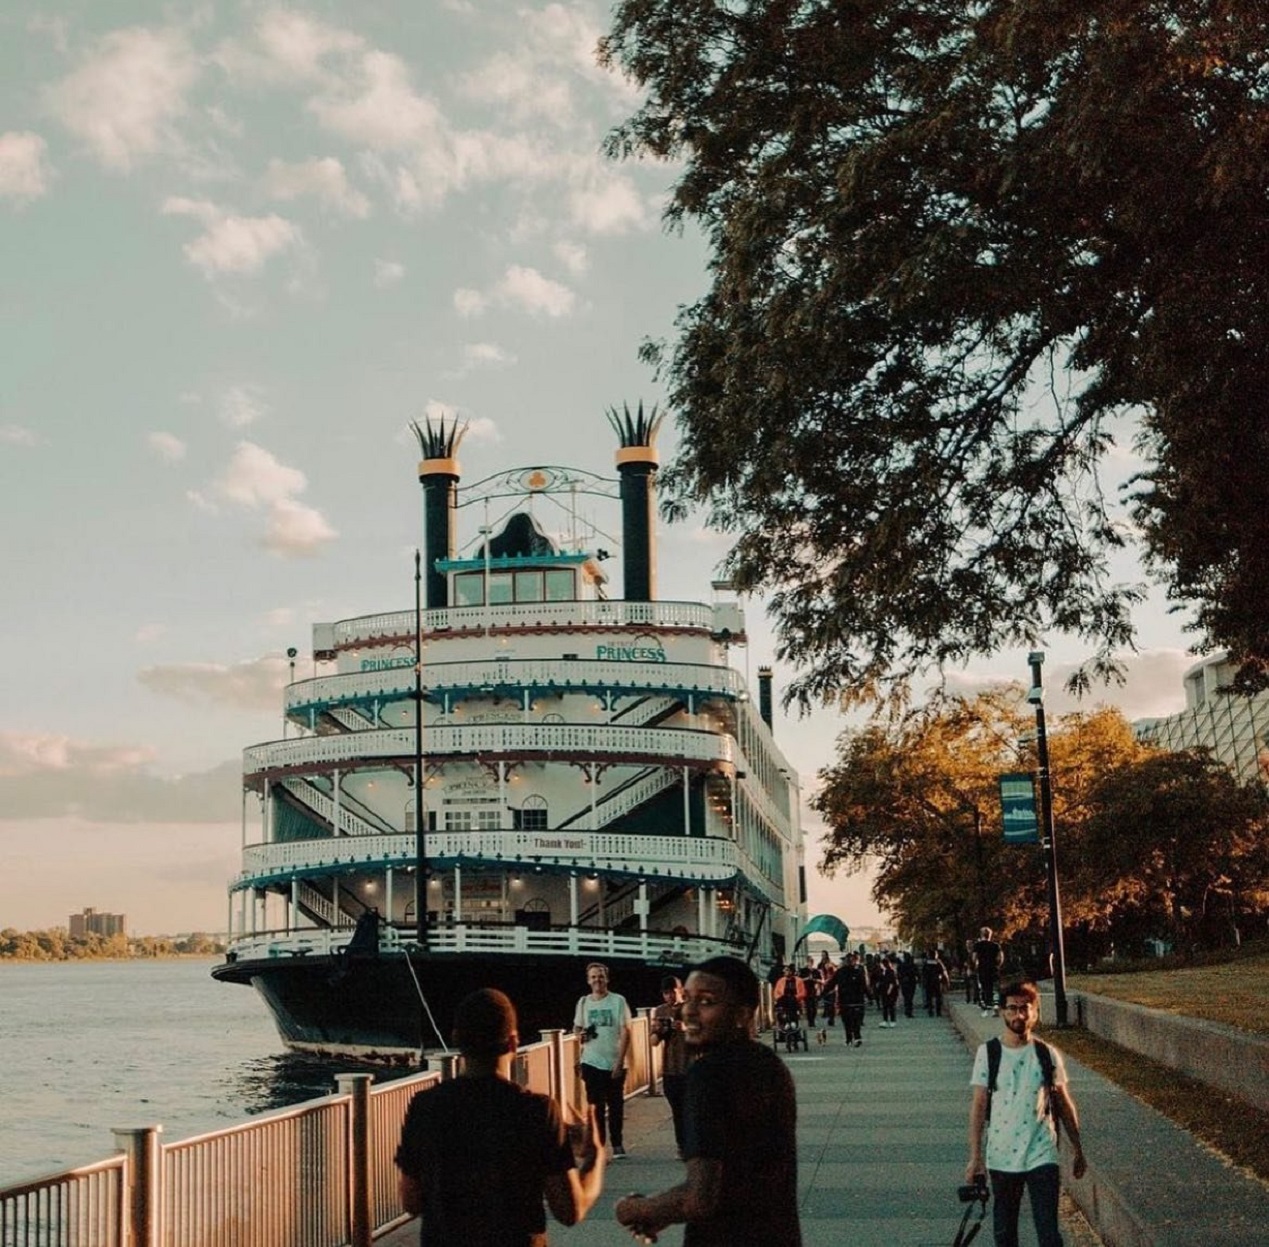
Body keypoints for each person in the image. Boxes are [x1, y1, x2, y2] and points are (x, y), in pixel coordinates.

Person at [395, 987, 606, 1246]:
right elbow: (569, 1211)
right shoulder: (536, 1111)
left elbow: (412, 1202)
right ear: (513, 1043)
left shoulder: (425, 1106)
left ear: (456, 1039)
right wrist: (595, 1157)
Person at [615, 956, 801, 1246]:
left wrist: (637, 1209)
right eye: (687, 998)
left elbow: (700, 1198)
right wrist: (664, 1214)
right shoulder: (771, 1066)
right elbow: (742, 1175)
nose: (688, 1011)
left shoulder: (708, 1075)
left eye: (706, 1002)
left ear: (742, 1014)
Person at [966, 981, 1086, 1247]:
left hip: (1041, 1152)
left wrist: (1078, 1148)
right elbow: (978, 1107)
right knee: (1005, 1234)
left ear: (1035, 1013)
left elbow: (1064, 1103)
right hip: (1001, 1155)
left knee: (1049, 1235)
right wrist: (975, 1158)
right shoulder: (989, 1054)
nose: (1019, 1015)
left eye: (1025, 1008)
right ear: (1001, 1012)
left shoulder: (1046, 1054)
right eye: (1012, 1008)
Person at [573, 961, 633, 1157]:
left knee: (616, 1105)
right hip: (591, 1061)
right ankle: (599, 1145)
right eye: (593, 977)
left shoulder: (618, 1001)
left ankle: (617, 1144)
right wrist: (580, 1034)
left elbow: (626, 1031)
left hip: (614, 1061)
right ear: (588, 980)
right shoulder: (583, 1002)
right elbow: (577, 1027)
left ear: (607, 978)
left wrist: (619, 1061)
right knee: (595, 1107)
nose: (597, 980)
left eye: (600, 976)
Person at [651, 974, 690, 1156]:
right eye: (666, 993)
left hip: (691, 1066)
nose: (670, 997)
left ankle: (693, 1145)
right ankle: (682, 1145)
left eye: (673, 992)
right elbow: (653, 1041)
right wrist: (660, 1031)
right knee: (677, 1110)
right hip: (670, 1067)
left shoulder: (692, 1008)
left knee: (692, 1109)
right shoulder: (660, 1011)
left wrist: (685, 1028)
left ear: (680, 990)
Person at [827, 951, 870, 1046]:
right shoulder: (849, 972)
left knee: (849, 1020)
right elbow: (864, 986)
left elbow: (831, 984)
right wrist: (870, 996)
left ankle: (853, 1037)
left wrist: (822, 995)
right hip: (850, 1000)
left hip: (850, 1000)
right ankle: (853, 1037)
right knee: (853, 1020)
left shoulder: (851, 972)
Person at [974, 927, 1004, 1016]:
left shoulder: (977, 945)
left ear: (981, 935)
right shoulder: (995, 945)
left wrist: (976, 965)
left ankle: (986, 1004)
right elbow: (1000, 957)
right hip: (993, 968)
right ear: (990, 935)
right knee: (994, 987)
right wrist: (998, 965)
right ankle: (995, 1005)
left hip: (982, 968)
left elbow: (974, 957)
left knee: (984, 986)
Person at [923, 947, 950, 1017]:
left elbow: (923, 973)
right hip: (937, 981)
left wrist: (923, 981)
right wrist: (946, 981)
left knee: (929, 997)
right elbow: (943, 972)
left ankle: (930, 1012)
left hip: (928, 982)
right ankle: (938, 1012)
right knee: (938, 997)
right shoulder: (938, 963)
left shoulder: (926, 963)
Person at [875, 954, 900, 1027]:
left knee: (891, 1006)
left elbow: (892, 982)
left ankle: (892, 1020)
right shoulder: (882, 971)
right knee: (885, 1006)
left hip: (890, 991)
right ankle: (885, 1020)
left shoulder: (890, 971)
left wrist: (889, 990)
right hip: (883, 991)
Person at [897, 951, 919, 1018]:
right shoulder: (913, 965)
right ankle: (909, 1011)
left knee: (906, 997)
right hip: (912, 983)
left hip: (904, 983)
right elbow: (917, 973)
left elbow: (898, 974)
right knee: (910, 997)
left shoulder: (901, 965)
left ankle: (907, 1011)